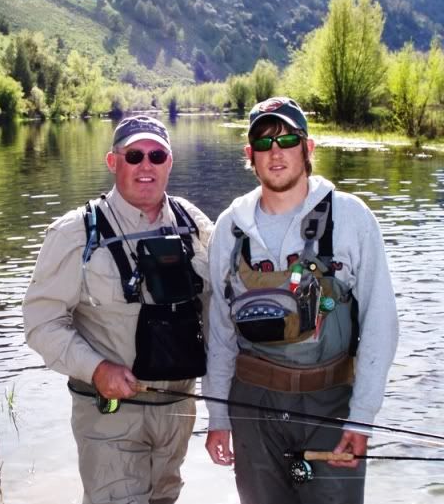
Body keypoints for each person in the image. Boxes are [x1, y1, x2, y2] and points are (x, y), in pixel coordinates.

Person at [203, 96, 398, 504]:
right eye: (263, 142)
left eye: (288, 140)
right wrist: (218, 416)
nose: (275, 152)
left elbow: (380, 323)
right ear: (250, 155)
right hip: (252, 408)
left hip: (332, 406)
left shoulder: (352, 218)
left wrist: (362, 418)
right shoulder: (228, 227)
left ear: (308, 148)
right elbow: (219, 332)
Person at [23, 115, 213, 504]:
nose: (146, 166)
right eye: (134, 155)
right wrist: (96, 368)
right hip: (110, 416)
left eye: (157, 156)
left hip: (178, 412)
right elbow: (41, 324)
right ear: (113, 162)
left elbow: (218, 309)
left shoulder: (193, 224)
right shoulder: (75, 233)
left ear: (170, 162)